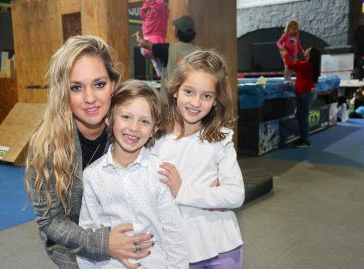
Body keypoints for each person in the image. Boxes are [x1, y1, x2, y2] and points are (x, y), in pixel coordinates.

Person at [25, 35, 153, 269]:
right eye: (76, 87)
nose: (90, 98)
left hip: (140, 246)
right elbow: (51, 221)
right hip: (75, 251)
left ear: (113, 84)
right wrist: (104, 244)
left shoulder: (131, 131)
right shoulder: (45, 145)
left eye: (99, 84)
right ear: (63, 92)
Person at [76, 80, 188, 269]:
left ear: (153, 130)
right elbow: (89, 231)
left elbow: (174, 232)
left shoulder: (159, 172)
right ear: (109, 120)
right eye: (126, 117)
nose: (134, 127)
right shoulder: (93, 175)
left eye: (144, 121)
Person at [152, 50, 245, 269]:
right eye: (189, 92)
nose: (195, 102)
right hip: (175, 252)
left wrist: (181, 191)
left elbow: (235, 194)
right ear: (175, 90)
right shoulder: (155, 139)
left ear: (215, 101)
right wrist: (211, 195)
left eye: (206, 96)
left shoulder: (220, 139)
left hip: (223, 247)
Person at [137, 15, 199, 103]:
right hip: (190, 101)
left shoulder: (168, 49)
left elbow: (147, 45)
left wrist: (140, 40)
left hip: (169, 104)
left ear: (177, 32)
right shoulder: (200, 53)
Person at [281, 46, 321, 148]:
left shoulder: (307, 65)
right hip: (305, 93)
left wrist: (285, 54)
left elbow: (290, 65)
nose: (306, 50)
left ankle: (305, 141)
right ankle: (303, 138)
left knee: (303, 117)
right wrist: (290, 55)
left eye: (308, 49)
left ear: (310, 54)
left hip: (305, 94)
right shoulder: (308, 65)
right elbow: (296, 63)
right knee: (300, 116)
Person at [139, 0, 169, 78]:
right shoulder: (161, 7)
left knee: (155, 59)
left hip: (146, 44)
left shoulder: (150, 7)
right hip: (157, 42)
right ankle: (161, 73)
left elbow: (143, 13)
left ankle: (160, 73)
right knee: (157, 59)